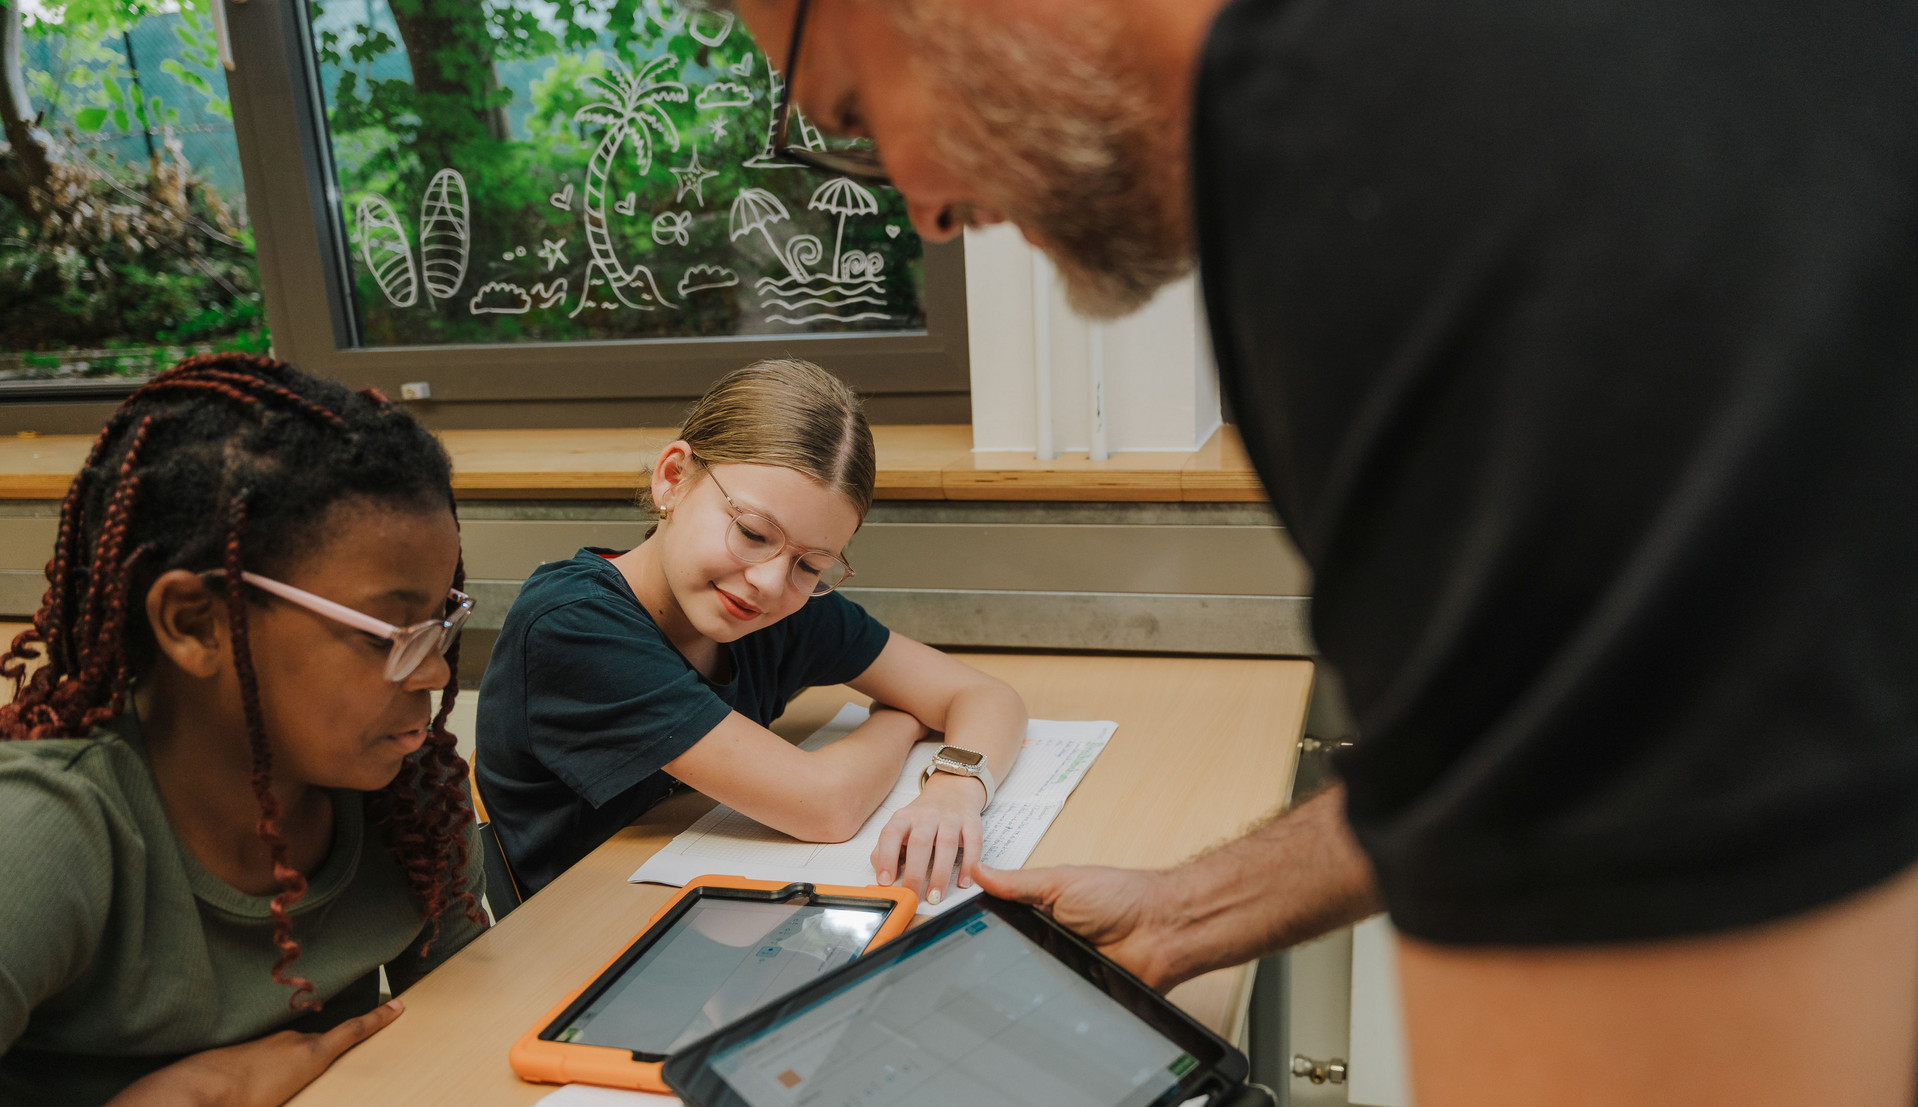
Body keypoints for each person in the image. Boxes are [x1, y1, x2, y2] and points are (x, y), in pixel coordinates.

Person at [729, 0, 1918, 1103]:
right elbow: (1566, 722)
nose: (921, 209)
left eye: (847, 112)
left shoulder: (1404, 147)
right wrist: (1185, 913)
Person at [0, 354, 488, 1107]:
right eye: (390, 631)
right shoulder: (44, 838)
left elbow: (477, 1027)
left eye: (443, 620)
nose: (433, 674)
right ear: (196, 623)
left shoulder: (411, 793)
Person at [476, 358, 1026, 901]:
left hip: (706, 901)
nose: (768, 581)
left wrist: (954, 790)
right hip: (580, 933)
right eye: (752, 532)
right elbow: (826, 806)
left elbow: (985, 695)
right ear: (674, 478)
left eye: (812, 565)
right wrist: (902, 720)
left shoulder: (776, 602)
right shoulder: (573, 625)